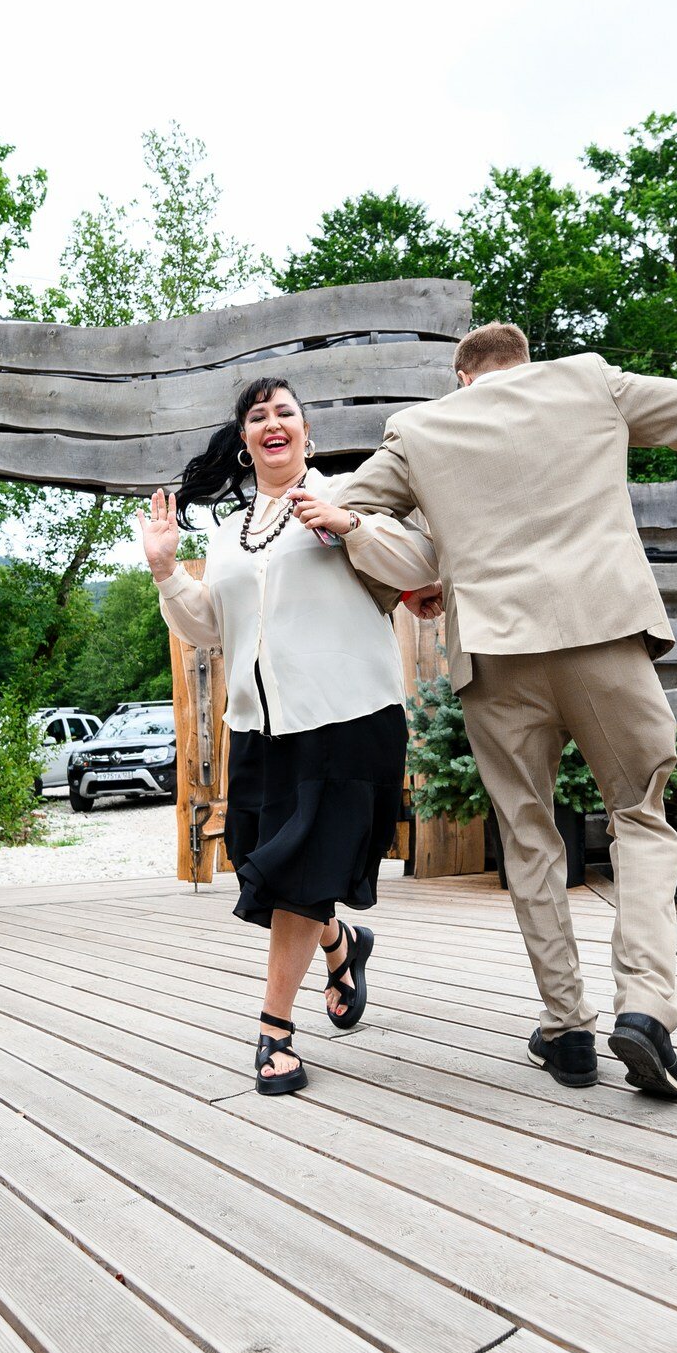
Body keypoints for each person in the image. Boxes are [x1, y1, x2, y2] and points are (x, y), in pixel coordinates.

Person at [296, 322, 677, 1101]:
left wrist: (412, 579)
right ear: (524, 361)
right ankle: (647, 1005)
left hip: (495, 659)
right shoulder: (589, 381)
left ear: (463, 377)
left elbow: (335, 509)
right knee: (641, 814)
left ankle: (567, 1030)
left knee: (529, 838)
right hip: (604, 634)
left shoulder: (420, 428)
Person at [143, 377, 440, 1096]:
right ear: (245, 442)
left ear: (307, 433)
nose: (272, 422)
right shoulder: (229, 534)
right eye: (257, 416)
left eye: (285, 412)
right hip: (259, 728)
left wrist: (349, 525)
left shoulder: (347, 494)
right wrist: (165, 571)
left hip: (346, 718)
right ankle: (341, 943)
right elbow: (212, 628)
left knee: (301, 873)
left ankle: (274, 1029)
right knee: (266, 867)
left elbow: (421, 565)